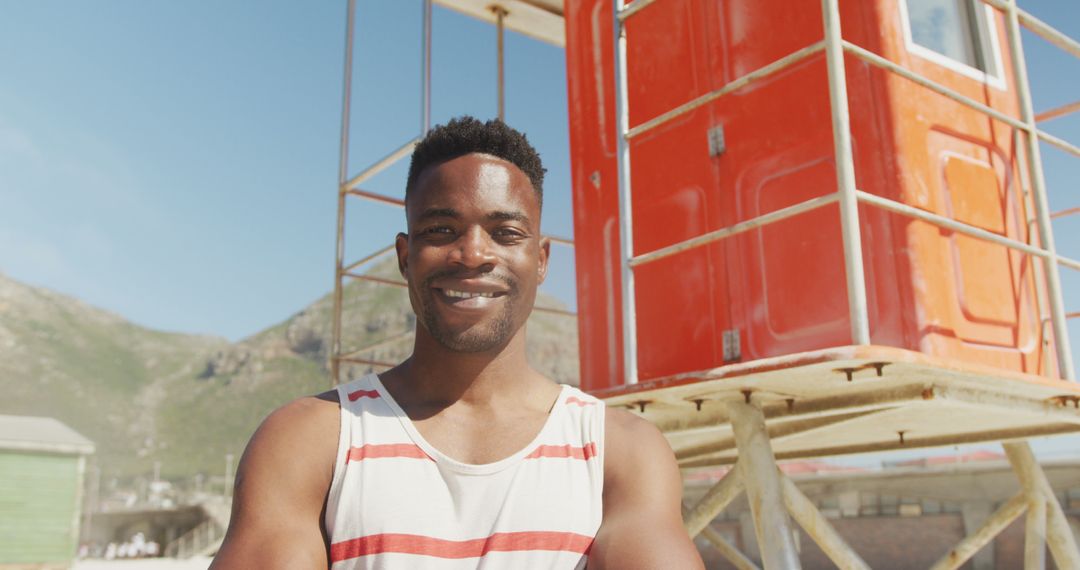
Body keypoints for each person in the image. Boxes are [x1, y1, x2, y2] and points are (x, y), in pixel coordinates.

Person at [211, 117, 704, 569]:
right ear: (405, 257)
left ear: (542, 259)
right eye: (441, 229)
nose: (472, 253)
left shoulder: (619, 453)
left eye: (505, 232)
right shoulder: (311, 441)